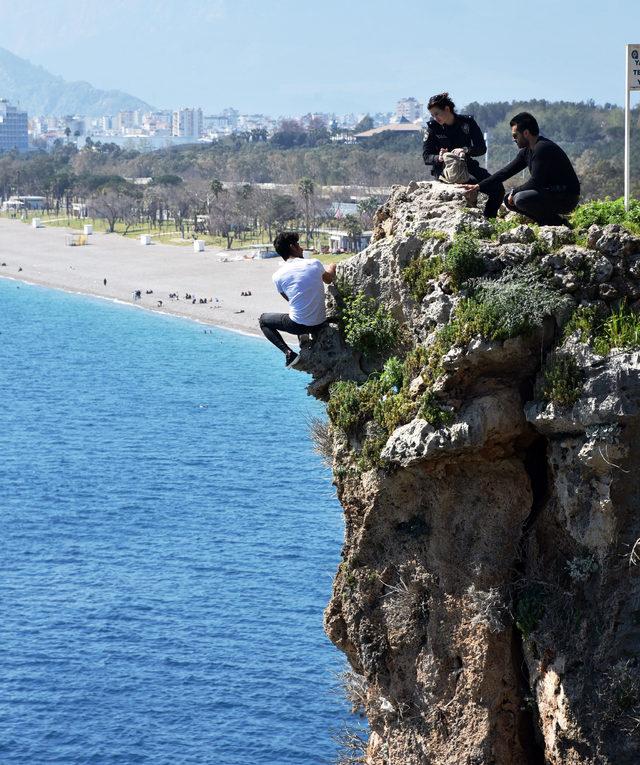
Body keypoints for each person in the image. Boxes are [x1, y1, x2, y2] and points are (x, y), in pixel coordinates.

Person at [464, 112, 580, 226]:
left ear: (526, 133)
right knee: (509, 200)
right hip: (550, 192)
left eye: (515, 135)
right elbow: (505, 172)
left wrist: (515, 191)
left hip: (566, 196)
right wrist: (479, 186)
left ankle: (557, 223)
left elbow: (536, 182)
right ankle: (550, 222)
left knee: (520, 198)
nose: (514, 139)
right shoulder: (527, 151)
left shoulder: (542, 148)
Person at [259, 231, 336, 368]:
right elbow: (329, 279)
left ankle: (289, 353)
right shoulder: (314, 263)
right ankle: (303, 338)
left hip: (299, 326)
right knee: (298, 311)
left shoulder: (277, 276)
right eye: (299, 245)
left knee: (263, 320)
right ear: (292, 247)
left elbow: (290, 299)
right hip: (320, 322)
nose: (302, 248)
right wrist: (332, 267)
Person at [423, 92, 504, 218]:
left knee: (497, 188)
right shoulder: (433, 128)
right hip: (445, 169)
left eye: (437, 114)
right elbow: (426, 156)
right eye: (432, 115)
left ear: (447, 109)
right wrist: (439, 157)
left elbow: (481, 149)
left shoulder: (467, 123)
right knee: (471, 182)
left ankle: (489, 219)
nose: (435, 118)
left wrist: (465, 150)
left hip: (467, 164)